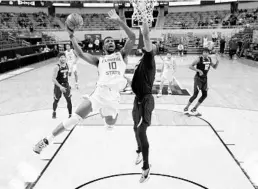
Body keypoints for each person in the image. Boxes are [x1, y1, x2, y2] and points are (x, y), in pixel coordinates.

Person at [33, 9, 136, 154]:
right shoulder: (99, 60)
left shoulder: (122, 55)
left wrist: (119, 21)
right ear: (103, 47)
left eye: (112, 41)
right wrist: (71, 35)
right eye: (107, 41)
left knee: (110, 124)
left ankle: (104, 114)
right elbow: (80, 53)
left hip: (114, 98)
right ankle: (46, 140)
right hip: (98, 94)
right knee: (74, 119)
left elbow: (132, 37)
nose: (110, 42)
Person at [131, 20, 156, 183]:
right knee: (135, 128)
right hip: (137, 99)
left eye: (151, 45)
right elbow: (143, 39)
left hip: (146, 100)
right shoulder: (142, 60)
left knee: (141, 131)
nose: (147, 45)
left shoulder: (149, 59)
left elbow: (146, 37)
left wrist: (145, 21)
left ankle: (146, 168)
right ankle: (140, 150)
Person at [183, 48, 219, 116]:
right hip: (198, 79)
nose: (205, 53)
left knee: (205, 95)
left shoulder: (209, 59)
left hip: (205, 79)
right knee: (195, 94)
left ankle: (194, 109)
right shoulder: (199, 59)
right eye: (204, 52)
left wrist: (217, 61)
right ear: (202, 53)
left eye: (207, 52)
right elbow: (190, 66)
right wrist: (198, 71)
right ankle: (186, 108)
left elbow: (214, 67)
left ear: (208, 53)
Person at [52, 52, 72, 119]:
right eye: (61, 57)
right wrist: (60, 86)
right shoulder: (56, 67)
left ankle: (70, 115)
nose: (62, 58)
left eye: (63, 57)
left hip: (66, 85)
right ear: (59, 58)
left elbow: (68, 76)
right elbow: (53, 79)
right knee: (56, 100)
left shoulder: (67, 65)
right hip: (58, 85)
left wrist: (69, 85)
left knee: (69, 100)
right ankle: (54, 112)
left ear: (65, 58)